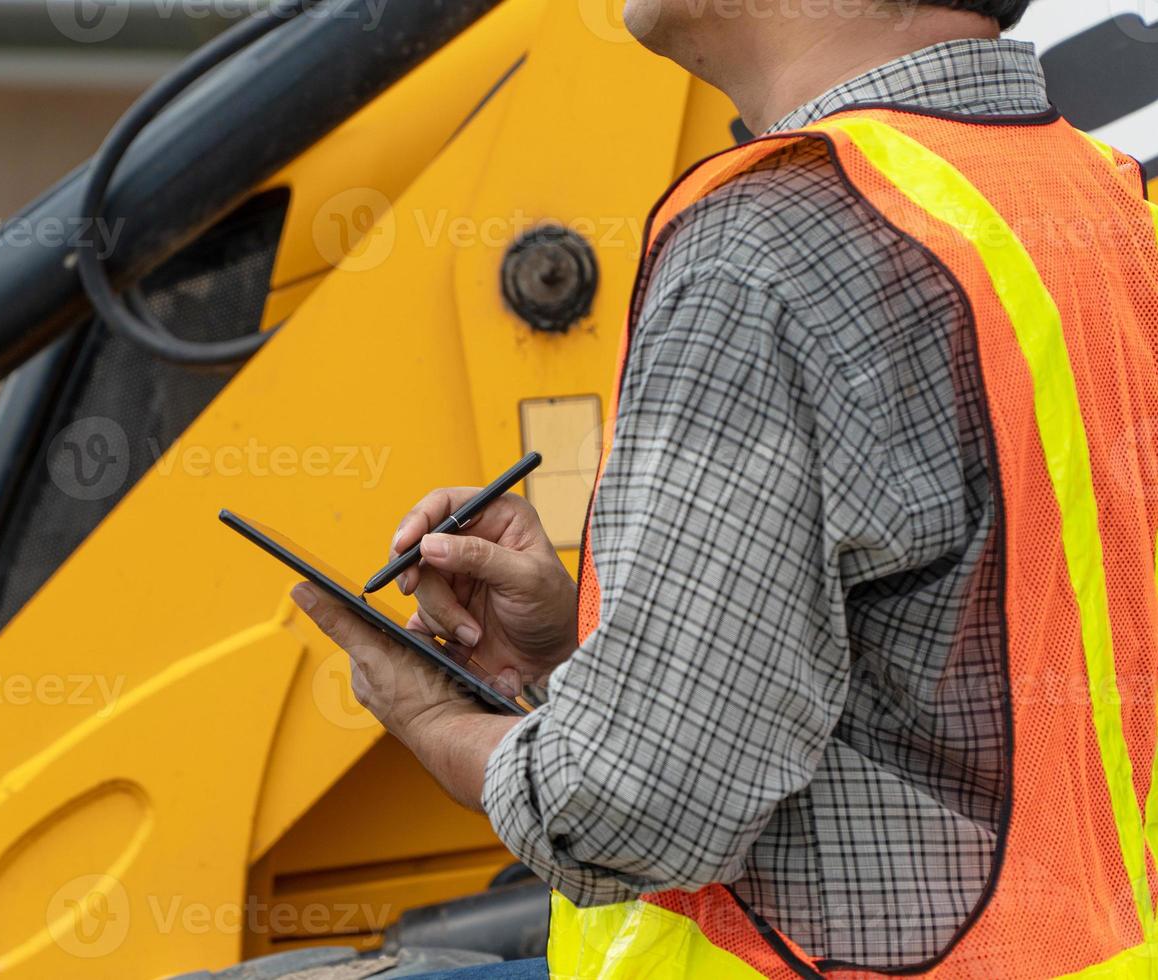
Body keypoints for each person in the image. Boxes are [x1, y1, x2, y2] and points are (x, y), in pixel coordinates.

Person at [293, 0, 1158, 975]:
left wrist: (433, 716)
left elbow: (627, 805)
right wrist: (582, 655)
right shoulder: (1100, 202)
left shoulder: (769, 248)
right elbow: (965, 666)